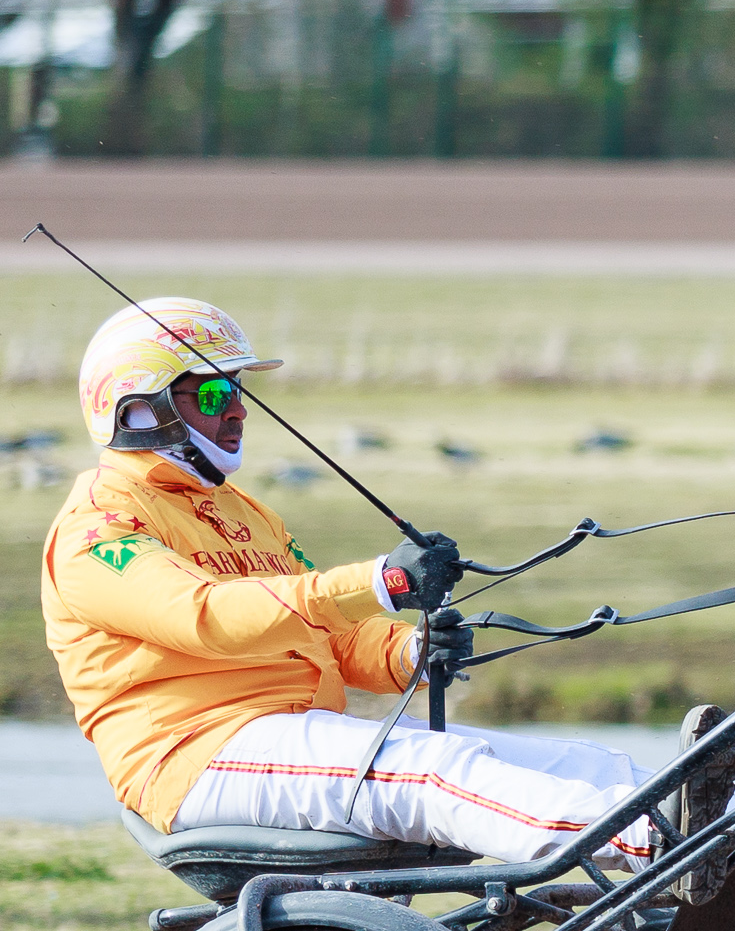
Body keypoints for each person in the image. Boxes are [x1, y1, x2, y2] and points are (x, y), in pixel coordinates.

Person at [42, 298, 657, 865]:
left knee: (592, 766)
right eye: (210, 395)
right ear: (141, 410)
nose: (236, 409)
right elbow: (204, 616)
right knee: (434, 775)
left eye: (236, 389)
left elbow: (327, 634)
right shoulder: (96, 529)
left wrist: (412, 649)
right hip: (195, 754)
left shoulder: (243, 512)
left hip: (298, 735)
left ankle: (703, 838)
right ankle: (656, 845)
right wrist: (380, 582)